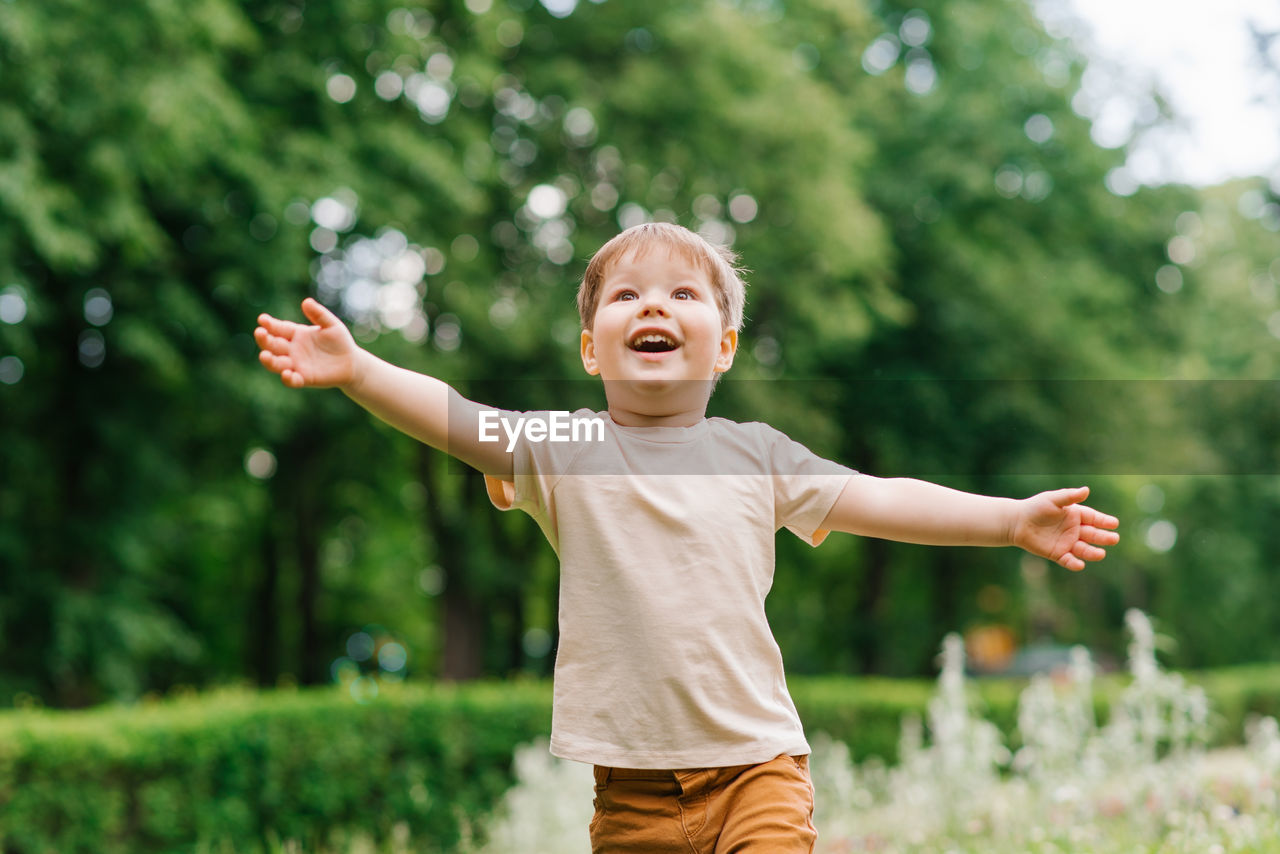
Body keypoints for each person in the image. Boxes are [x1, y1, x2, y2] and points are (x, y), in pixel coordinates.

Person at [254, 221, 1119, 852]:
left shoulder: (757, 455)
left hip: (757, 767)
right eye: (625, 296)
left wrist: (1010, 520)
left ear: (725, 346)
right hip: (630, 789)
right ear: (592, 350)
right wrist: (359, 369)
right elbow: (458, 419)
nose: (652, 306)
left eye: (681, 293)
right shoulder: (564, 447)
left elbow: (883, 499)